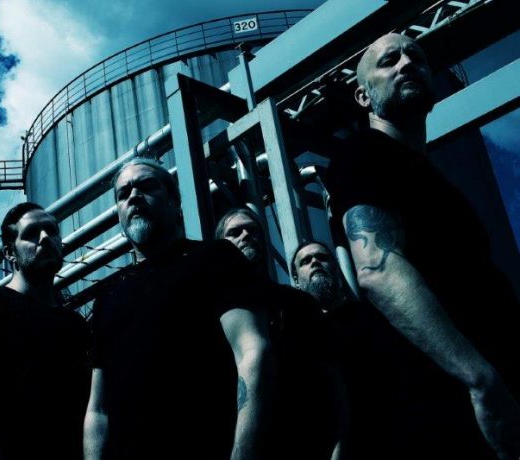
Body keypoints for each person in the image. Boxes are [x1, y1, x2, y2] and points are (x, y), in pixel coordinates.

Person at [324, 32, 520, 459]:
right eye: (389, 61)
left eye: (416, 57)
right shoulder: (363, 154)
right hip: (447, 411)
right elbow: (377, 269)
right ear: (362, 96)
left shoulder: (439, 183)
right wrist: (479, 380)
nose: (406, 64)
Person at [84, 159, 275, 460]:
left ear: (174, 201)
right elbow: (98, 409)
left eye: (147, 186)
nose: (134, 196)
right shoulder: (107, 296)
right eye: (123, 194)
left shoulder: (215, 257)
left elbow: (253, 353)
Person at [0, 202, 90, 459]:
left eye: (51, 230)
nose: (45, 237)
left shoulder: (76, 325)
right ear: (9, 252)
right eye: (31, 233)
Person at [216, 209, 345, 460]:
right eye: (235, 232)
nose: (246, 235)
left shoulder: (298, 303)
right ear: (220, 245)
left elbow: (331, 380)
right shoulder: (208, 309)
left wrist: (339, 449)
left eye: (252, 230)